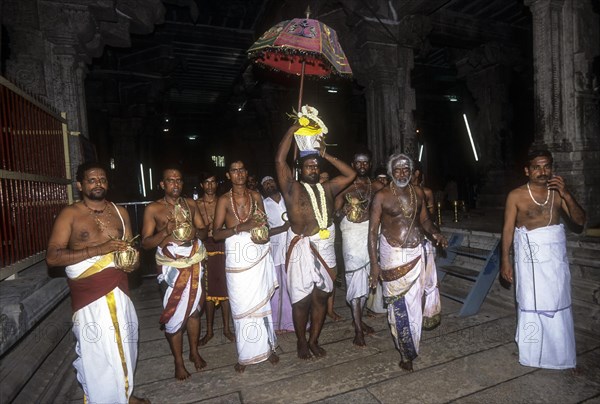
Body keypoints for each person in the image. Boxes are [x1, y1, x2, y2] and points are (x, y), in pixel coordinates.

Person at [46, 162, 149, 404]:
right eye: (92, 180)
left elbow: (130, 252)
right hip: (90, 294)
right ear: (80, 185)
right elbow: (53, 257)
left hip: (118, 287)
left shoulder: (120, 212)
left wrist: (132, 262)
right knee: (98, 352)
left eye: (102, 179)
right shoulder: (70, 214)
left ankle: (125, 393)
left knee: (126, 343)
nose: (98, 184)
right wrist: (100, 249)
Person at [275, 124, 356, 359]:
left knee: (321, 296)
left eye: (316, 166)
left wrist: (324, 153)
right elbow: (280, 160)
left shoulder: (328, 188)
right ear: (300, 169)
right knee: (301, 301)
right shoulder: (292, 188)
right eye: (308, 166)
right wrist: (292, 129)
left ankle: (314, 340)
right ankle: (301, 341)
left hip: (324, 247)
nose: (312, 168)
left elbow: (351, 174)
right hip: (301, 248)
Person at [500, 149, 585, 370]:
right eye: (536, 167)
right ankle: (532, 354)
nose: (542, 171)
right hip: (529, 264)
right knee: (530, 302)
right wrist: (505, 261)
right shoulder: (516, 195)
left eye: (546, 166)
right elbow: (508, 229)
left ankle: (559, 354)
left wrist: (567, 194)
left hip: (554, 261)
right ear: (527, 170)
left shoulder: (558, 194)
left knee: (557, 302)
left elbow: (580, 221)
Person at [368, 153, 447, 371]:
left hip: (416, 253)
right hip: (393, 256)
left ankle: (413, 344)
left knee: (415, 304)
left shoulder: (418, 193)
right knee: (399, 307)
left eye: (405, 169)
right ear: (391, 171)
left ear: (411, 172)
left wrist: (436, 234)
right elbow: (373, 232)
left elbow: (425, 221)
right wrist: (375, 266)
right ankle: (406, 353)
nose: (402, 173)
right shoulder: (381, 196)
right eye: (397, 169)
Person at [141, 167, 208, 380]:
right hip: (170, 267)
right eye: (170, 180)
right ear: (162, 184)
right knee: (173, 314)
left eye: (179, 180)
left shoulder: (191, 204)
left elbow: (204, 231)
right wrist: (167, 230)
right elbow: (146, 243)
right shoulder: (153, 209)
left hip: (194, 260)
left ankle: (194, 351)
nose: (175, 184)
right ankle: (178, 362)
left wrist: (191, 230)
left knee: (195, 311)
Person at [213, 160, 279, 373]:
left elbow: (264, 225)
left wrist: (262, 234)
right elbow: (215, 234)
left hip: (256, 253)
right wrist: (240, 227)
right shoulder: (223, 200)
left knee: (261, 303)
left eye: (242, 169)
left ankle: (268, 347)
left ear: (246, 172)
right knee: (242, 306)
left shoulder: (256, 196)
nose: (239, 173)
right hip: (237, 257)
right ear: (228, 174)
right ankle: (245, 355)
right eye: (234, 170)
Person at [334, 150, 384, 346]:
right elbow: (335, 212)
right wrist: (343, 212)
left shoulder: (378, 186)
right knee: (355, 279)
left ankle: (359, 320)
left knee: (367, 279)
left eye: (365, 163)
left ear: (370, 164)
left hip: (371, 233)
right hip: (352, 235)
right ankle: (357, 329)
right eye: (358, 163)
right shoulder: (345, 186)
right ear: (353, 165)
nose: (362, 166)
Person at [196, 173, 235, 345]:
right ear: (202, 184)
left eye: (213, 182)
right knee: (208, 291)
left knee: (225, 289)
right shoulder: (196, 205)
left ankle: (227, 329)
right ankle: (210, 330)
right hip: (205, 247)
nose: (210, 186)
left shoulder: (224, 201)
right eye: (207, 182)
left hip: (223, 246)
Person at [261, 175, 294, 333]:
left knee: (293, 286)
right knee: (277, 289)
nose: (269, 185)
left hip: (294, 248)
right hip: (275, 251)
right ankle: (277, 324)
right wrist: (283, 228)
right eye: (265, 184)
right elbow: (263, 231)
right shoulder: (264, 204)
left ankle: (295, 322)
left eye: (271, 181)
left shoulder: (288, 198)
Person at [411, 162, 442, 330]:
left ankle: (426, 312)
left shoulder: (426, 192)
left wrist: (435, 233)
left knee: (428, 278)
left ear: (417, 173)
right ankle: (413, 313)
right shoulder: (401, 192)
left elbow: (431, 217)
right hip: (409, 241)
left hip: (425, 238)